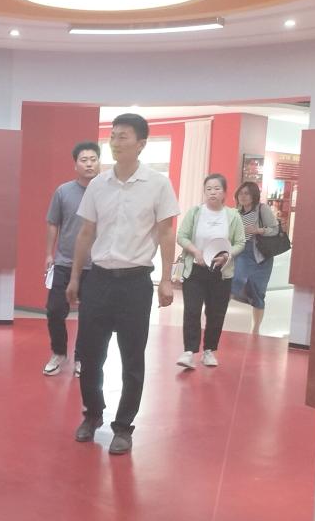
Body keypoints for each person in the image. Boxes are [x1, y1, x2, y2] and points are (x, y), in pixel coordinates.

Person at [65, 113, 180, 455]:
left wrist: (167, 279)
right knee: (90, 354)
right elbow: (86, 233)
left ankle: (123, 427)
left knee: (132, 358)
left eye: (123, 137)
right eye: (113, 136)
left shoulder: (158, 184)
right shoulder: (98, 184)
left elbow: (166, 233)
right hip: (99, 279)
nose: (115, 142)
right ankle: (92, 414)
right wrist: (75, 277)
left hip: (135, 283)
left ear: (141, 144)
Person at [175, 173, 246, 369]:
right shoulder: (195, 212)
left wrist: (227, 255)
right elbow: (181, 236)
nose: (212, 192)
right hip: (195, 271)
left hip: (220, 273)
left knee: (216, 313)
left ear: (224, 193)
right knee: (192, 310)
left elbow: (240, 242)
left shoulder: (232, 216)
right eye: (208, 189)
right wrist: (195, 251)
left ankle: (209, 350)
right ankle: (189, 351)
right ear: (204, 192)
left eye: (217, 189)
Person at [43, 141, 101, 377]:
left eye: (93, 159)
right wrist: (49, 253)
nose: (89, 164)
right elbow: (53, 223)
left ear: (99, 162)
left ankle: (81, 358)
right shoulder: (63, 191)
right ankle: (59, 353)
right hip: (64, 262)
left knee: (90, 317)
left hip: (95, 265)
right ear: (75, 165)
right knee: (54, 310)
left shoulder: (106, 192)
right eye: (83, 160)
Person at [231, 181, 279, 334]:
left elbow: (275, 229)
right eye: (240, 193)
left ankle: (256, 329)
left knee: (258, 293)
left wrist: (258, 230)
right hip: (242, 252)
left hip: (261, 255)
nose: (243, 196)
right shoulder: (236, 212)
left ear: (254, 195)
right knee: (235, 280)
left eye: (247, 193)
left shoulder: (262, 209)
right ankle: (216, 315)